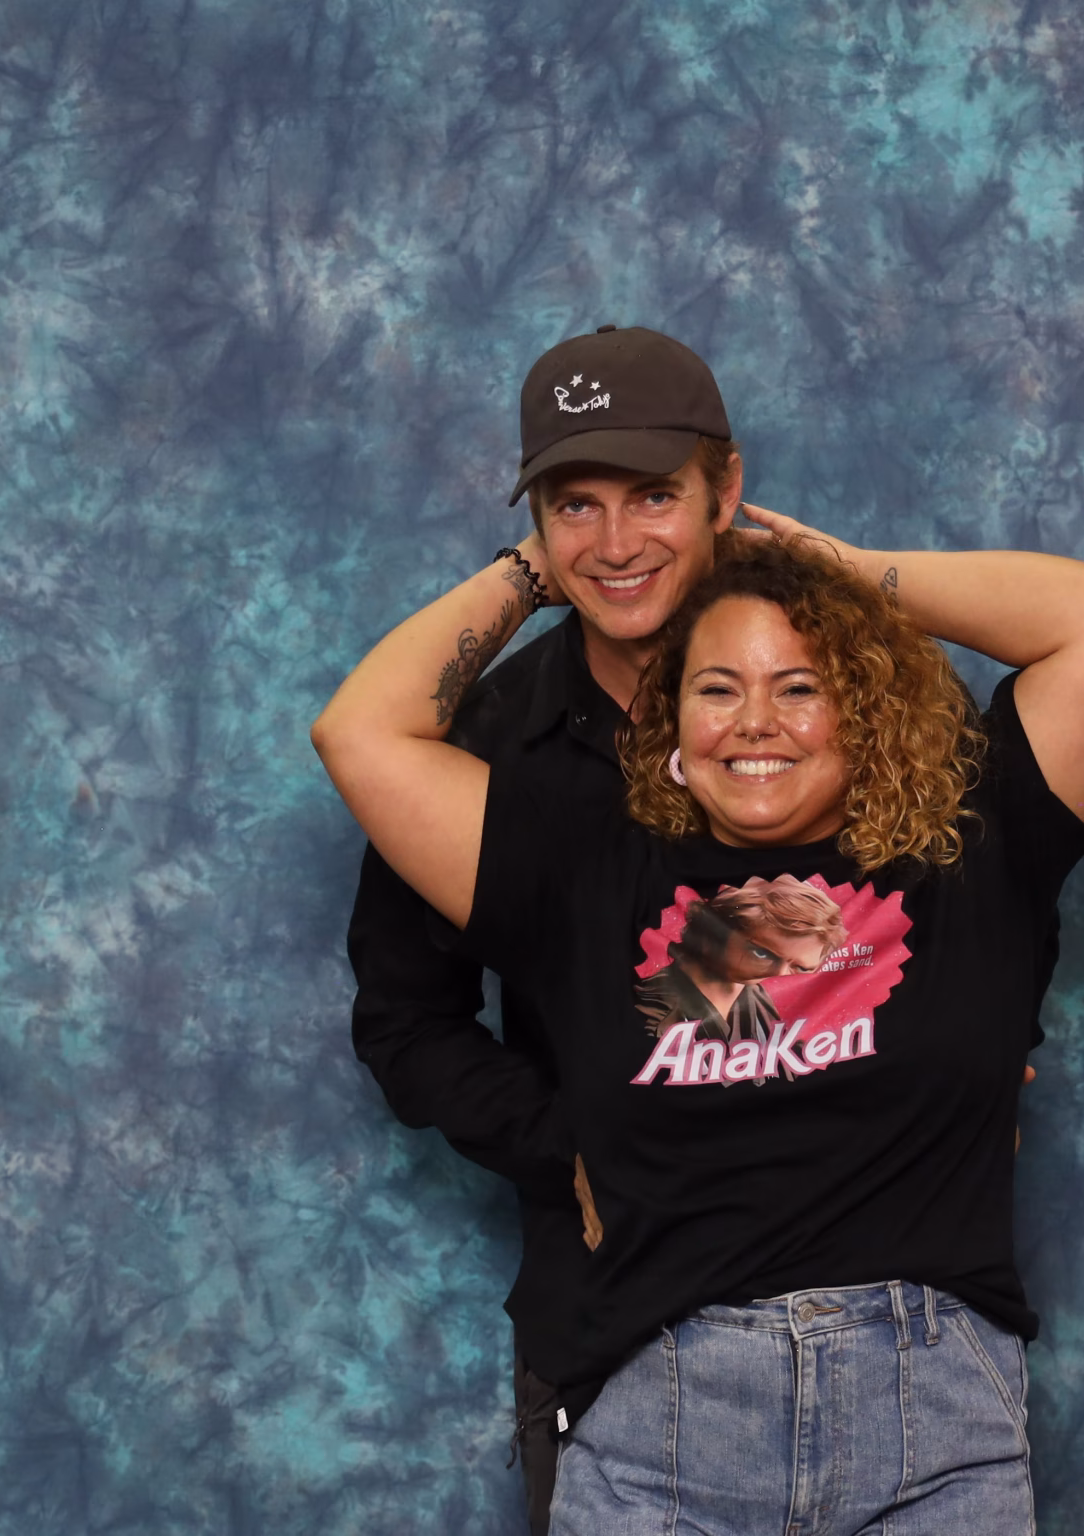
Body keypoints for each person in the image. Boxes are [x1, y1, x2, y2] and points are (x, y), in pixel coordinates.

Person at [313, 498, 1084, 1530]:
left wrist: (840, 568)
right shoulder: (586, 877)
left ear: (864, 706)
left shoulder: (970, 851)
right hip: (661, 1441)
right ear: (671, 723)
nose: (755, 720)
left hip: (932, 1443)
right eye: (718, 689)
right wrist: (539, 569)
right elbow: (359, 731)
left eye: (801, 687)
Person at [342, 324, 744, 1533]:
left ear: (724, 490)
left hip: (859, 1308)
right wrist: (580, 1146)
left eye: (653, 496)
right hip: (609, 1323)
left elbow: (980, 878)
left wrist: (987, 1047)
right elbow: (407, 1022)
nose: (615, 546)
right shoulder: (476, 744)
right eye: (576, 506)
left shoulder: (834, 700)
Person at [634, 875, 848, 1048]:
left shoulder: (757, 999)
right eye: (763, 954)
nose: (781, 974)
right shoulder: (655, 1010)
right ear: (712, 935)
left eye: (799, 967)